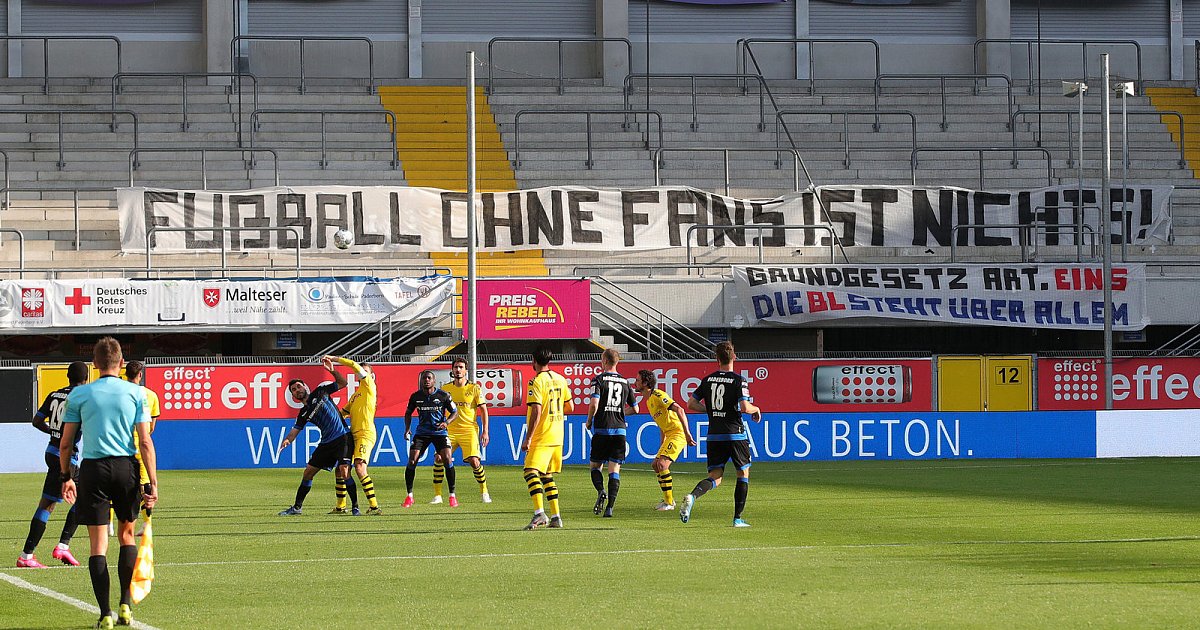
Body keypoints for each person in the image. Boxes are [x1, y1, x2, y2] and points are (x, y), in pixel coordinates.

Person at [59, 338, 158, 630]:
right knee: (127, 536)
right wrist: (152, 483)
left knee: (98, 545)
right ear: (122, 363)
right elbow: (145, 441)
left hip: (94, 469)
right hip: (126, 467)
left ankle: (105, 614)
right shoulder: (136, 393)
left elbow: (66, 444)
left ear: (95, 363)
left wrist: (66, 477)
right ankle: (126, 606)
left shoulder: (79, 395)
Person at [680, 341, 761, 528]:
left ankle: (693, 496)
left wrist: (711, 411)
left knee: (715, 476)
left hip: (714, 435)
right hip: (735, 434)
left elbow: (691, 404)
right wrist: (756, 409)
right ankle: (737, 518)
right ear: (734, 357)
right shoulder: (739, 380)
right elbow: (745, 407)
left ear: (717, 359)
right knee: (743, 473)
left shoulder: (707, 380)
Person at [17, 361, 89, 569]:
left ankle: (28, 555)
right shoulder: (81, 398)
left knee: (48, 503)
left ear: (67, 376)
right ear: (86, 379)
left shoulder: (54, 394)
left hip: (51, 451)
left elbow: (37, 421)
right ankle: (60, 546)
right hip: (66, 457)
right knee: (84, 498)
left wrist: (53, 432)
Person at [277, 357, 354, 516]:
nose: (297, 390)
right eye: (294, 390)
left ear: (305, 386)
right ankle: (297, 508)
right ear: (293, 396)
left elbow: (343, 383)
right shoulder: (303, 413)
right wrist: (287, 440)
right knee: (308, 473)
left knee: (344, 471)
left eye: (298, 386)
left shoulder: (320, 392)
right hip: (326, 443)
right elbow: (294, 431)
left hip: (342, 437)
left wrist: (332, 370)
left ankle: (356, 507)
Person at [520, 348, 574, 530]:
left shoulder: (536, 381)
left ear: (533, 360)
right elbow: (570, 407)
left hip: (542, 435)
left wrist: (528, 438)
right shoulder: (561, 379)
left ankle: (539, 513)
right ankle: (556, 517)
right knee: (546, 475)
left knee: (529, 472)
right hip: (557, 434)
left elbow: (536, 411)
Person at [634, 369, 697, 512]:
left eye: (637, 380)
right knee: (655, 465)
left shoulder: (658, 395)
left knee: (662, 464)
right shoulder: (649, 401)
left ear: (645, 383)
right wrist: (662, 444)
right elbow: (662, 425)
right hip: (669, 434)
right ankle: (668, 499)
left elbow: (680, 410)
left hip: (678, 433)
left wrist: (687, 434)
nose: (635, 383)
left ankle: (669, 503)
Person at [327, 355, 382, 515]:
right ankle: (340, 507)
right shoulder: (356, 395)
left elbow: (353, 365)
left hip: (365, 433)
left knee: (359, 467)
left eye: (365, 371)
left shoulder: (370, 386)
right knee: (341, 470)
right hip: (353, 435)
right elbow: (342, 414)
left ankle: (374, 507)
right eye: (361, 371)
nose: (361, 372)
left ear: (372, 376)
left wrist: (334, 359)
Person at [585, 348, 636, 518]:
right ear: (617, 362)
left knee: (595, 466)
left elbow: (594, 404)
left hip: (602, 429)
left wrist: (589, 420)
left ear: (605, 361)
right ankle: (610, 508)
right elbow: (635, 408)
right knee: (614, 470)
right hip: (620, 431)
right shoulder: (625, 382)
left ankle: (601, 490)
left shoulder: (598, 380)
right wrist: (620, 413)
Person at [402, 370, 458, 508]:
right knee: (412, 460)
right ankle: (409, 496)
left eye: (429, 378)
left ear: (434, 381)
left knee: (447, 459)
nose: (426, 380)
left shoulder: (443, 395)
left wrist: (446, 422)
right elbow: (408, 413)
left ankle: (452, 496)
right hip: (422, 433)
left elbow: (455, 412)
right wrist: (407, 428)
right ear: (421, 381)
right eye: (424, 378)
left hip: (440, 432)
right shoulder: (416, 396)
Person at [440, 358, 492, 504]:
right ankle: (437, 496)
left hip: (469, 430)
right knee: (439, 458)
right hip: (450, 430)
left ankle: (484, 492)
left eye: (461, 367)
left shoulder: (474, 388)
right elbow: (440, 409)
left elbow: (483, 409)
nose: (458, 370)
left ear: (465, 370)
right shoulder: (445, 389)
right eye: (456, 367)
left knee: (474, 461)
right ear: (452, 370)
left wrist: (485, 431)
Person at [125, 361, 160, 520]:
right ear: (140, 374)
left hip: (121, 446)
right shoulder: (151, 395)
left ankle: (110, 525)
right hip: (141, 445)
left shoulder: (119, 394)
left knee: (115, 487)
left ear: (125, 374)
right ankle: (147, 525)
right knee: (146, 485)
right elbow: (151, 427)